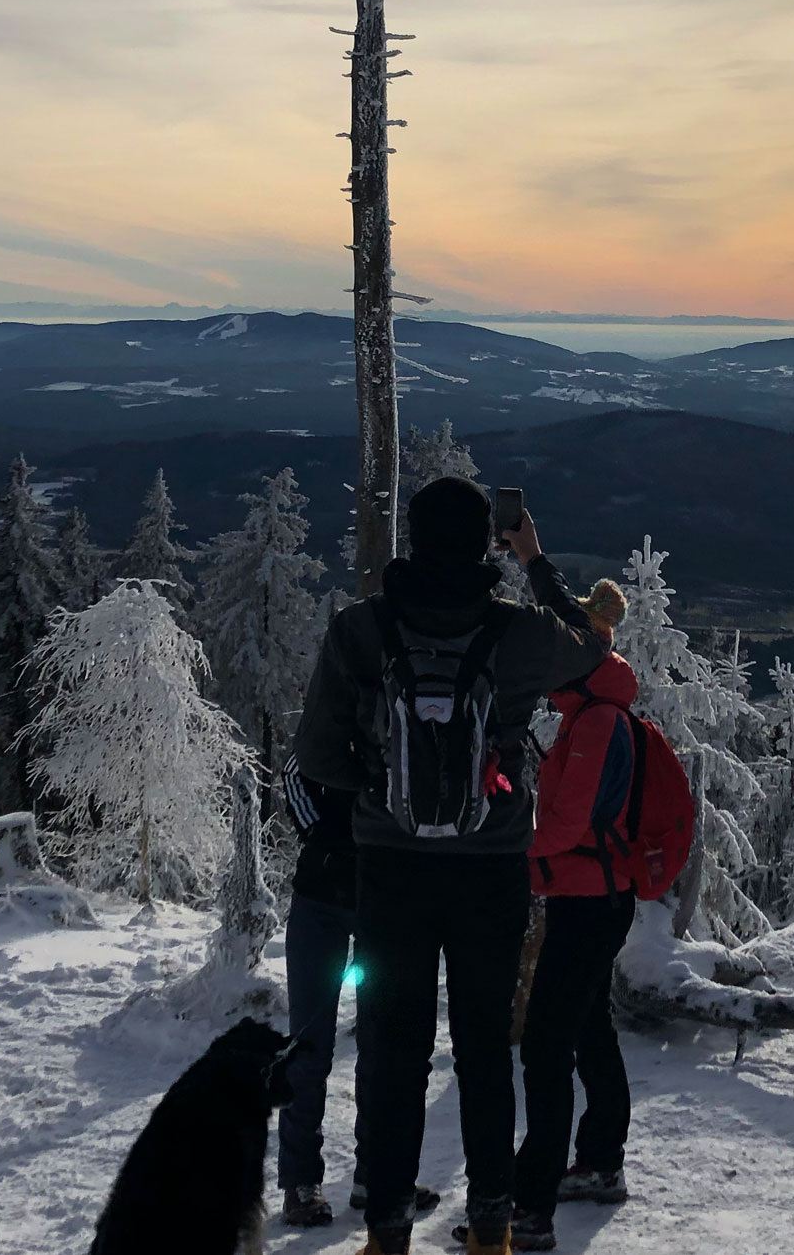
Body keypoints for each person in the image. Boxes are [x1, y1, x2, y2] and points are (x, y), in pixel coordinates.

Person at [296, 478, 613, 1255]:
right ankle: (493, 1228)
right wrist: (534, 560)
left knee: (394, 1047)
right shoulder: (517, 632)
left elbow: (314, 754)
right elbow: (596, 646)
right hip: (489, 868)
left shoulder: (361, 630)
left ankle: (387, 1232)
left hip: (392, 869)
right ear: (485, 543)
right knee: (481, 1050)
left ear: (411, 536)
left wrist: (377, 786)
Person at [510, 580, 640, 1251]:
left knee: (545, 1044)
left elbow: (563, 825)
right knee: (588, 1027)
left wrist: (513, 857)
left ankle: (529, 1209)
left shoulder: (593, 722)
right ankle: (601, 1163)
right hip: (595, 896)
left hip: (588, 900)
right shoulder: (594, 707)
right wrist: (533, 558)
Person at [270, 752, 443, 1227]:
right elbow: (293, 770)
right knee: (308, 1047)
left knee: (381, 1046)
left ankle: (377, 1176)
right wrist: (324, 837)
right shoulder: (333, 705)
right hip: (319, 899)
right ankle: (299, 1183)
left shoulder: (399, 708)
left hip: (381, 900)